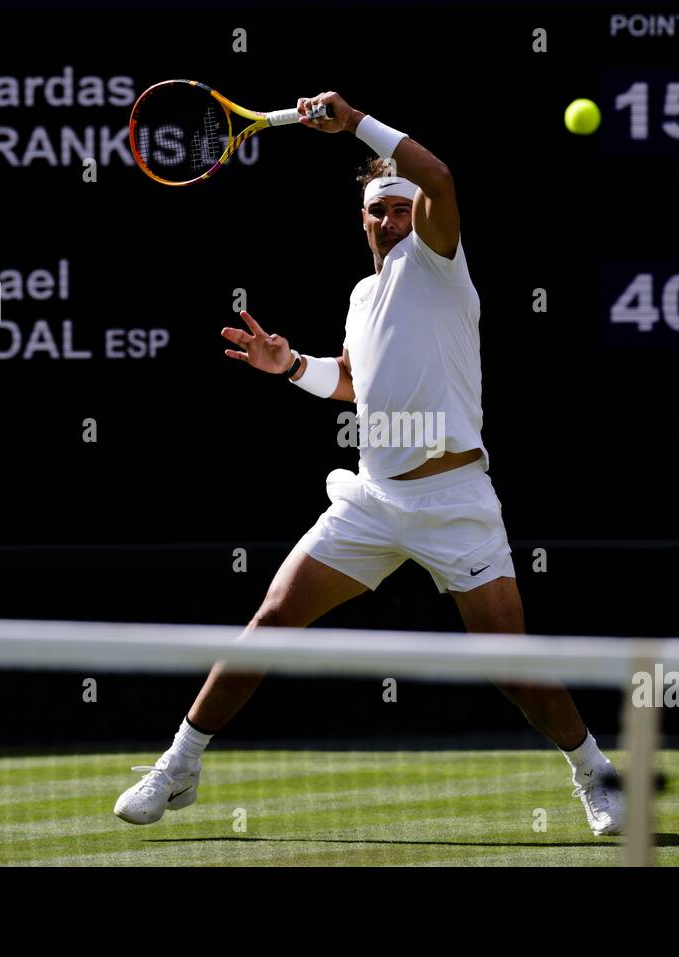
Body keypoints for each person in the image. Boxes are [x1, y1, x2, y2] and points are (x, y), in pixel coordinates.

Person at [115, 91, 623, 836]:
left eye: (399, 208)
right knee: (271, 620)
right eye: (376, 210)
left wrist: (355, 122)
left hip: (455, 502)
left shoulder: (439, 259)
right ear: (361, 219)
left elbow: (441, 179)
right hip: (373, 499)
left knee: (513, 669)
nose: (388, 220)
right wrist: (291, 368)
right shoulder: (361, 294)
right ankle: (180, 763)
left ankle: (594, 775)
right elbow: (354, 381)